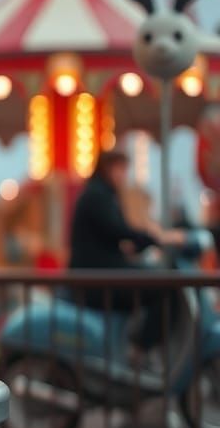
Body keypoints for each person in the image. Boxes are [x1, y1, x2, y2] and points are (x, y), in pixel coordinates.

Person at [68, 149, 184, 356]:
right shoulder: (97, 194)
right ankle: (140, 348)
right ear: (108, 168)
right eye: (121, 169)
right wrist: (152, 237)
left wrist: (145, 240)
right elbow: (117, 230)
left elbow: (116, 234)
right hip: (97, 278)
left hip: (98, 274)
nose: (123, 175)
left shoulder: (100, 193)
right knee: (165, 286)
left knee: (157, 279)